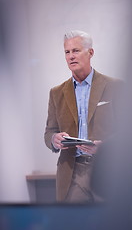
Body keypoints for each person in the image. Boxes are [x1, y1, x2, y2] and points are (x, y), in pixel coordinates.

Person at [44, 30, 123, 203]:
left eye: (76, 50)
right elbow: (49, 132)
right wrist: (54, 139)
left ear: (90, 53)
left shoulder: (115, 87)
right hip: (73, 173)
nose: (71, 56)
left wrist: (105, 147)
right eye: (67, 52)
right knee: (76, 227)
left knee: (109, 228)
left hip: (107, 170)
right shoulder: (56, 93)